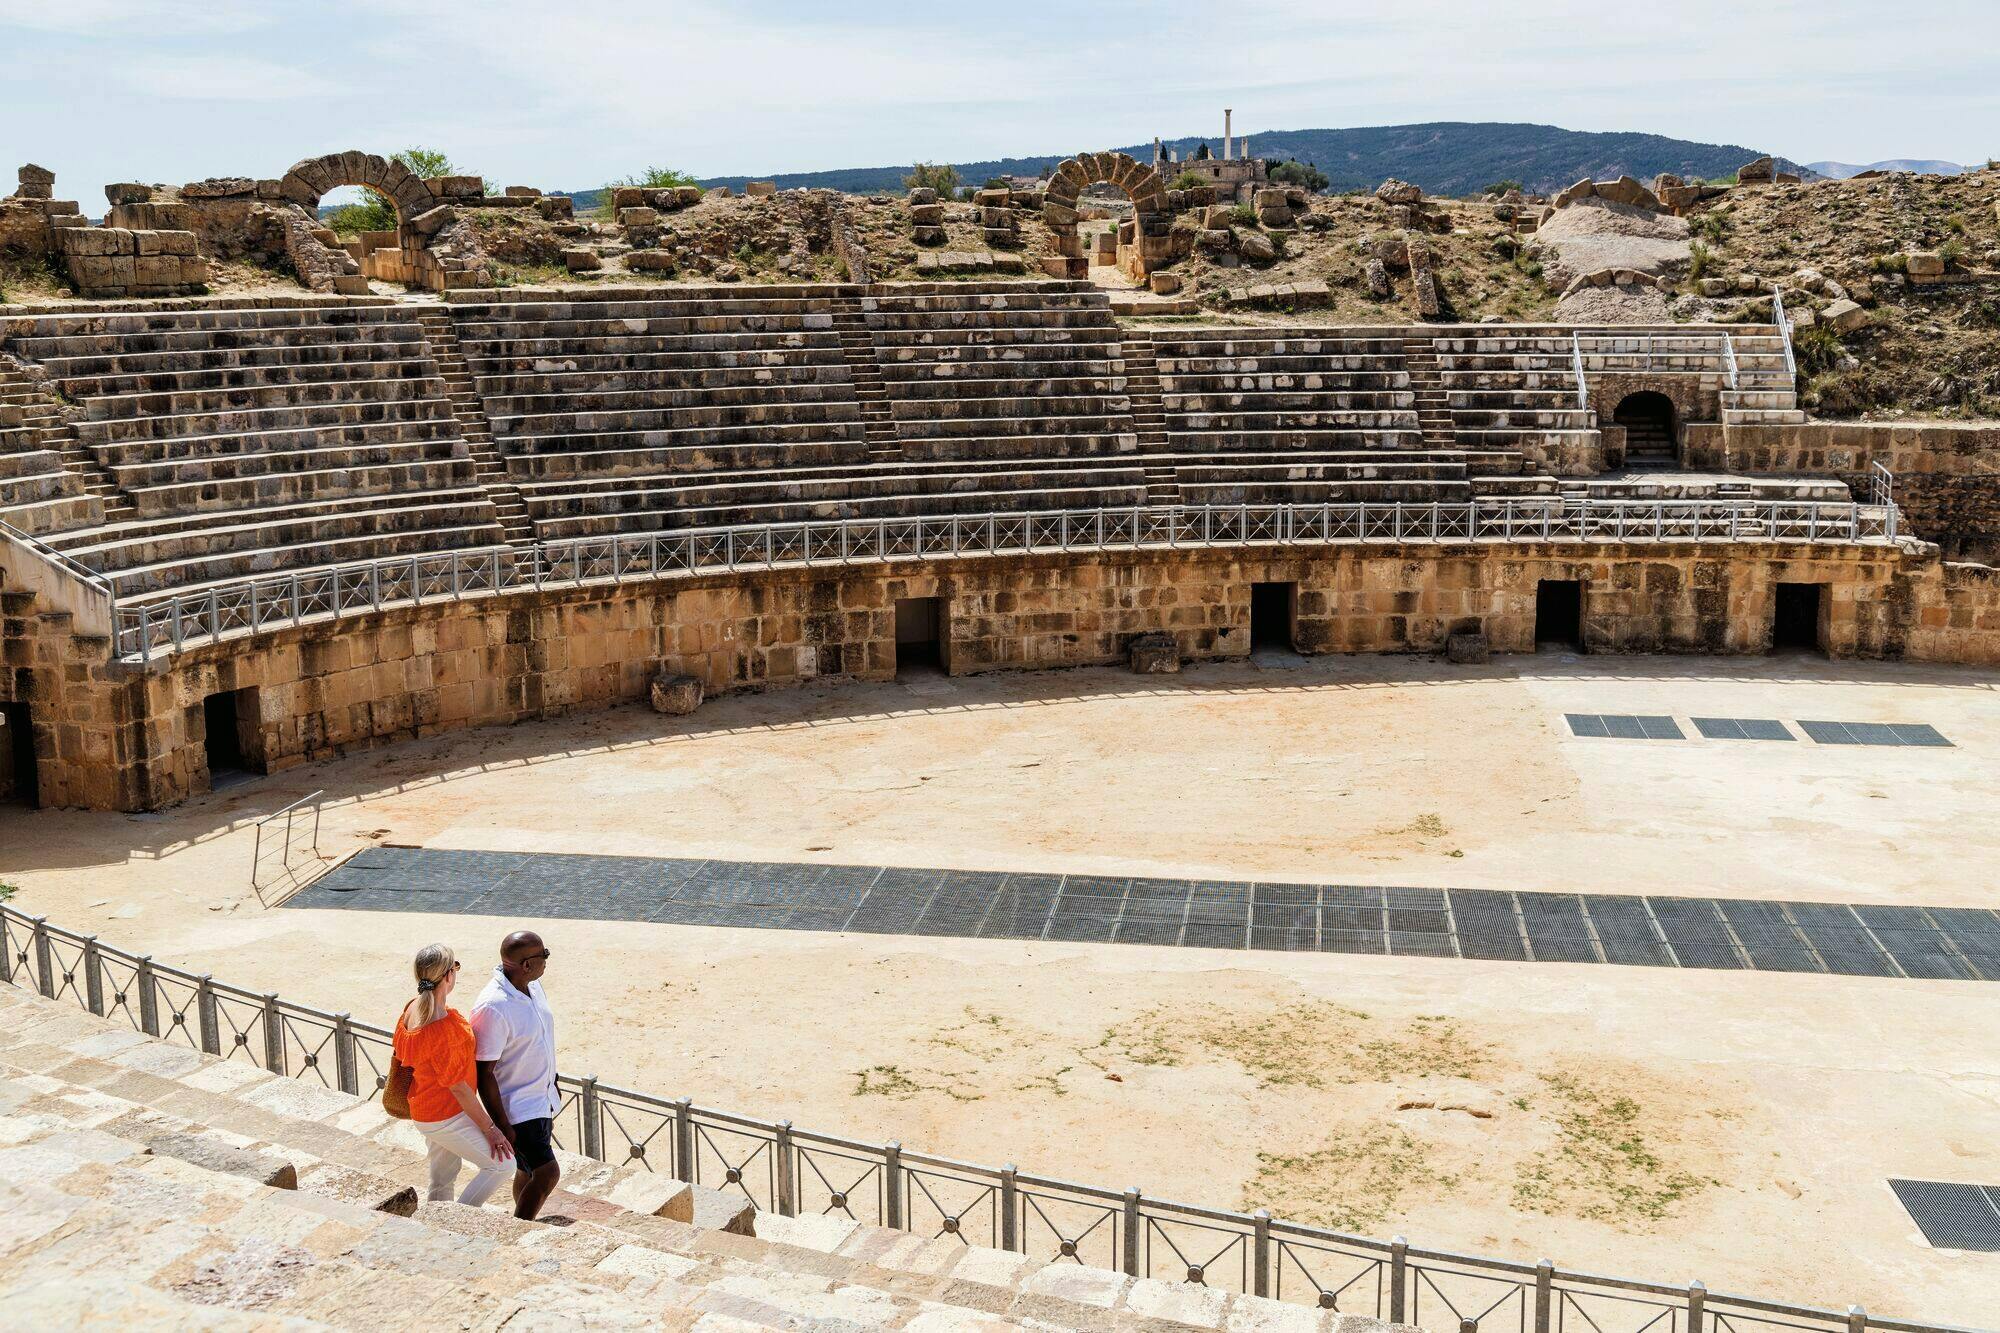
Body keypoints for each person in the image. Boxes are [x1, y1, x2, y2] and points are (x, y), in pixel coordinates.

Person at [393, 943, 514, 1206]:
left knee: (443, 1178)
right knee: (503, 1166)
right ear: (449, 975)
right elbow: (459, 1089)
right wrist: (491, 1129)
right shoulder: (446, 1029)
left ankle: (438, 1221)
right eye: (455, 966)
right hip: (445, 1116)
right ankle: (459, 1217)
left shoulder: (412, 1009)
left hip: (423, 1109)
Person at [469, 930, 561, 1220]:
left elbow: (540, 1040)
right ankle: (519, 1228)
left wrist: (552, 1084)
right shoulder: (493, 1007)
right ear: (526, 965)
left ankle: (521, 1217)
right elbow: (484, 1073)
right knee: (548, 1174)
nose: (547, 959)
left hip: (541, 1099)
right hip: (518, 1110)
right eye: (543, 955)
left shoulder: (533, 987)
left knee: (527, 1169)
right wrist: (501, 1124)